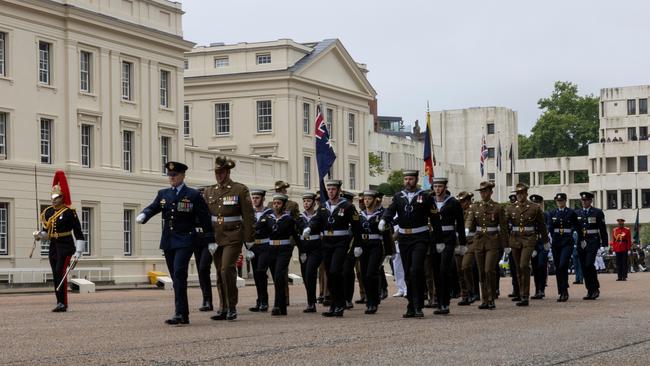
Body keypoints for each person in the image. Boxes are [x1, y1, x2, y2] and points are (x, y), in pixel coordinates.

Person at [137, 162, 214, 325]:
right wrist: (144, 214)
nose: (172, 178)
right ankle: (182, 313)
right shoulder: (163, 193)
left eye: (175, 175)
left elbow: (205, 217)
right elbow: (153, 207)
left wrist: (210, 239)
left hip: (186, 239)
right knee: (175, 277)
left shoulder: (193, 194)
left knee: (179, 273)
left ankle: (180, 313)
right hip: (169, 240)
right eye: (170, 175)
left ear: (182, 176)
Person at [380, 170, 442, 318]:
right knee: (408, 273)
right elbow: (390, 210)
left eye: (411, 179)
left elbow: (435, 220)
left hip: (420, 238)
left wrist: (439, 240)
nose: (408, 181)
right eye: (406, 179)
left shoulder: (426, 196)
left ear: (416, 180)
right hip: (404, 238)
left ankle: (418, 304)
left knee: (416, 270)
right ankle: (410, 304)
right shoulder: (399, 196)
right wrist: (384, 220)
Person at [204, 156, 255, 321]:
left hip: (233, 235)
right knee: (219, 273)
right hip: (217, 237)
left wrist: (249, 240)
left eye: (222, 172)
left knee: (227, 269)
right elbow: (206, 217)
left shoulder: (239, 189)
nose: (219, 175)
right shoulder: (209, 191)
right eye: (217, 172)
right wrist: (208, 238)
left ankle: (232, 306)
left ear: (228, 171)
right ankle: (223, 307)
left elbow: (248, 215)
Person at [304, 180, 361, 317]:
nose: (330, 191)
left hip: (341, 243)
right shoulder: (323, 207)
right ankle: (334, 304)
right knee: (330, 274)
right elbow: (317, 220)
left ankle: (340, 304)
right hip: (327, 244)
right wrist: (309, 228)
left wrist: (357, 244)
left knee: (336, 271)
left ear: (338, 190)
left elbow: (356, 226)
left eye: (333, 189)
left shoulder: (347, 206)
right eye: (329, 189)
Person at [33, 171, 85, 313]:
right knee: (55, 273)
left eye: (56, 197)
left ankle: (63, 302)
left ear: (62, 197)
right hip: (54, 246)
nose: (53, 199)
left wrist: (78, 252)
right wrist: (39, 235)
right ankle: (59, 301)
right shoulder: (48, 212)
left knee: (60, 271)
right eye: (52, 197)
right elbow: (46, 232)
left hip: (66, 246)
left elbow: (78, 233)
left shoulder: (69, 212)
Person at [465, 181, 507, 310]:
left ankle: (491, 297)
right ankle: (484, 299)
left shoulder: (497, 207)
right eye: (481, 192)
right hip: (478, 240)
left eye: (485, 191)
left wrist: (506, 245)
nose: (483, 194)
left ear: (490, 192)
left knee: (489, 270)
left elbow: (504, 228)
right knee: (481, 271)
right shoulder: (475, 207)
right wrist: (467, 229)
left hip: (492, 240)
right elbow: (470, 220)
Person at [506, 184, 549, 307]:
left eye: (522, 193)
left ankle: (525, 296)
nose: (519, 196)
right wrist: (505, 242)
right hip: (515, 239)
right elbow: (505, 225)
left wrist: (545, 241)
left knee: (524, 265)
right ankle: (520, 292)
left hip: (529, 238)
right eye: (518, 194)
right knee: (518, 267)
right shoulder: (510, 208)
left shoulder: (534, 207)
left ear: (526, 194)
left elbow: (542, 226)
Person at [255, 193, 299, 315]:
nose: (276, 205)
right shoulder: (268, 218)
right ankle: (278, 305)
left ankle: (278, 306)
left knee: (279, 275)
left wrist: (302, 251)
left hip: (284, 250)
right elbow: (256, 228)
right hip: (271, 249)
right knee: (271, 276)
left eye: (278, 203)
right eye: (274, 203)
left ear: (284, 205)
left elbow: (295, 235)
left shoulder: (289, 219)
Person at [430, 177, 466, 315]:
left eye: (440, 186)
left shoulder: (453, 202)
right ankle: (439, 302)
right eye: (435, 186)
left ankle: (445, 302)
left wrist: (462, 243)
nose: (437, 189)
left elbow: (460, 224)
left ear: (445, 187)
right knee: (435, 271)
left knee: (444, 269)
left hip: (448, 237)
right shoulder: (430, 201)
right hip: (434, 238)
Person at [356, 190, 392, 314]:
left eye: (369, 199)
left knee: (371, 273)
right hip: (363, 246)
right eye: (365, 199)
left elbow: (387, 234)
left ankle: (374, 300)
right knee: (364, 274)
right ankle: (369, 299)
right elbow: (356, 232)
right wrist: (356, 246)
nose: (366, 201)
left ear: (375, 200)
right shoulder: (360, 215)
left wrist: (388, 252)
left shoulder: (381, 214)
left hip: (376, 245)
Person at [576, 191, 608, 300]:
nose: (584, 202)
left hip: (593, 241)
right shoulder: (578, 213)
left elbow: (602, 229)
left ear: (590, 201)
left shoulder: (597, 212)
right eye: (582, 200)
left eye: (586, 200)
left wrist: (604, 244)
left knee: (589, 264)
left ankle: (595, 288)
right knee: (584, 266)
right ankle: (589, 290)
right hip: (581, 242)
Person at [547, 193, 579, 302]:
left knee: (563, 264)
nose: (560, 203)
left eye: (561, 201)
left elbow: (576, 226)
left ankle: (564, 290)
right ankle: (561, 290)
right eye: (558, 201)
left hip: (567, 241)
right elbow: (550, 227)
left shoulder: (571, 212)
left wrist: (578, 237)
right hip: (556, 242)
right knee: (558, 267)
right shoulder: (552, 213)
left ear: (565, 201)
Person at [247, 189, 272, 312]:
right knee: (257, 275)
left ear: (262, 199)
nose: (255, 200)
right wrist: (247, 248)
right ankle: (259, 301)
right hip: (253, 247)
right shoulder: (249, 213)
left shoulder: (269, 213)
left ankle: (264, 301)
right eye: (253, 197)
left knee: (261, 271)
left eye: (257, 197)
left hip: (265, 246)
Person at [297, 192, 322, 313]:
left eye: (308, 201)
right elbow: (297, 235)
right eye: (304, 201)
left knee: (310, 272)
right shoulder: (300, 217)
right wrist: (301, 251)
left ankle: (312, 303)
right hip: (304, 249)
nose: (306, 203)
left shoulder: (319, 215)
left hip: (316, 248)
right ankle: (311, 301)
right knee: (306, 276)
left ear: (313, 202)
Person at [192, 187, 214, 312]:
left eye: (202, 196)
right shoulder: (192, 210)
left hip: (209, 241)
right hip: (197, 241)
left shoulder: (211, 209)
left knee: (203, 267)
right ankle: (206, 300)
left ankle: (210, 300)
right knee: (201, 271)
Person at [457, 191, 478, 306]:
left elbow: (469, 222)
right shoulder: (456, 211)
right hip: (458, 242)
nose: (462, 203)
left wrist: (466, 230)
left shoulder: (472, 210)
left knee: (465, 266)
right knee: (459, 270)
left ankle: (472, 291)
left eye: (464, 201)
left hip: (471, 241)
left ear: (469, 200)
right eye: (460, 201)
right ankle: (464, 295)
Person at [529, 194, 549, 300]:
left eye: (537, 203)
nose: (535, 205)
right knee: (535, 267)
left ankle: (542, 289)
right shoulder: (529, 216)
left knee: (542, 264)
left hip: (543, 243)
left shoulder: (545, 215)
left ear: (540, 204)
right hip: (533, 244)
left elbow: (548, 227)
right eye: (533, 203)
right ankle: (537, 290)